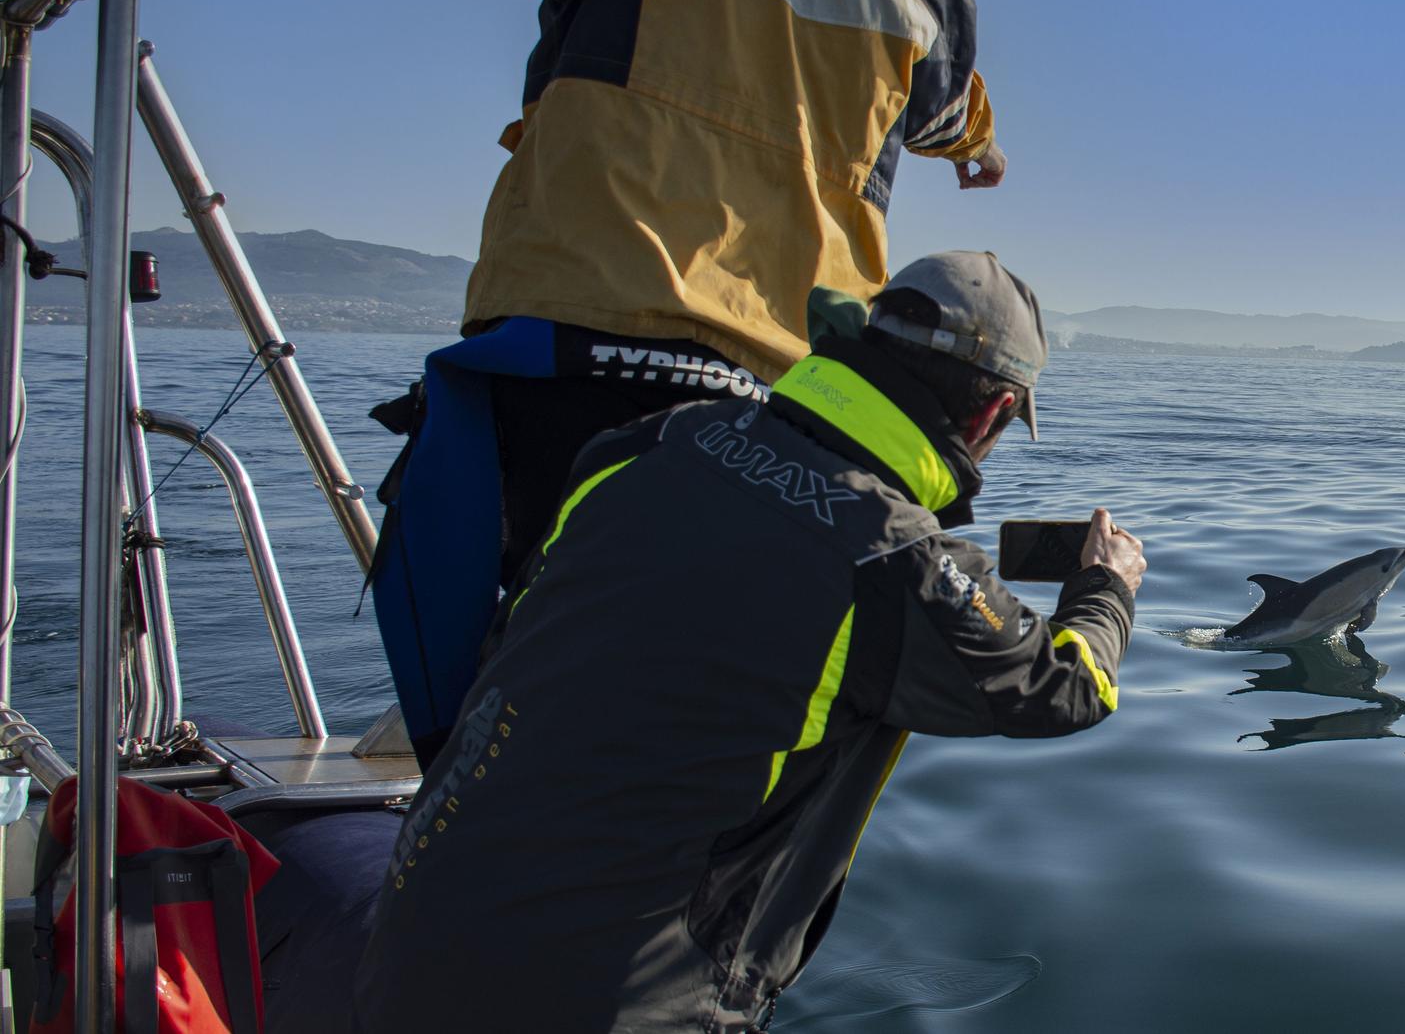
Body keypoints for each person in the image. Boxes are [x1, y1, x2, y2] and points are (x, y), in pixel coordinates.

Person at [201, 0, 1007, 758]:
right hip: (778, 406)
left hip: (575, 343)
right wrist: (982, 152)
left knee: (530, 679)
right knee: (682, 717)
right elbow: (949, 111)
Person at [351, 251, 1144, 1032]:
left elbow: (516, 630)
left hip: (410, 939)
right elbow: (1069, 689)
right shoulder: (897, 562)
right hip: (614, 1006)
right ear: (992, 413)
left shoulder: (647, 442)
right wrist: (1106, 584)